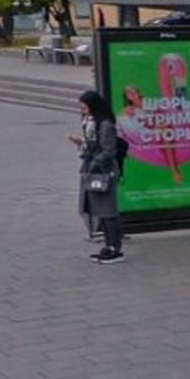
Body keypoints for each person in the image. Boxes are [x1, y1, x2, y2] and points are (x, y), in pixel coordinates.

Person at [70, 90, 124, 264]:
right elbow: (94, 145)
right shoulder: (91, 123)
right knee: (101, 210)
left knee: (108, 210)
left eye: (84, 107)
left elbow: (108, 150)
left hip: (104, 172)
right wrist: (82, 142)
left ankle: (115, 247)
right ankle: (109, 245)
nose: (82, 111)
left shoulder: (105, 125)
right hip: (94, 170)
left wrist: (94, 161)